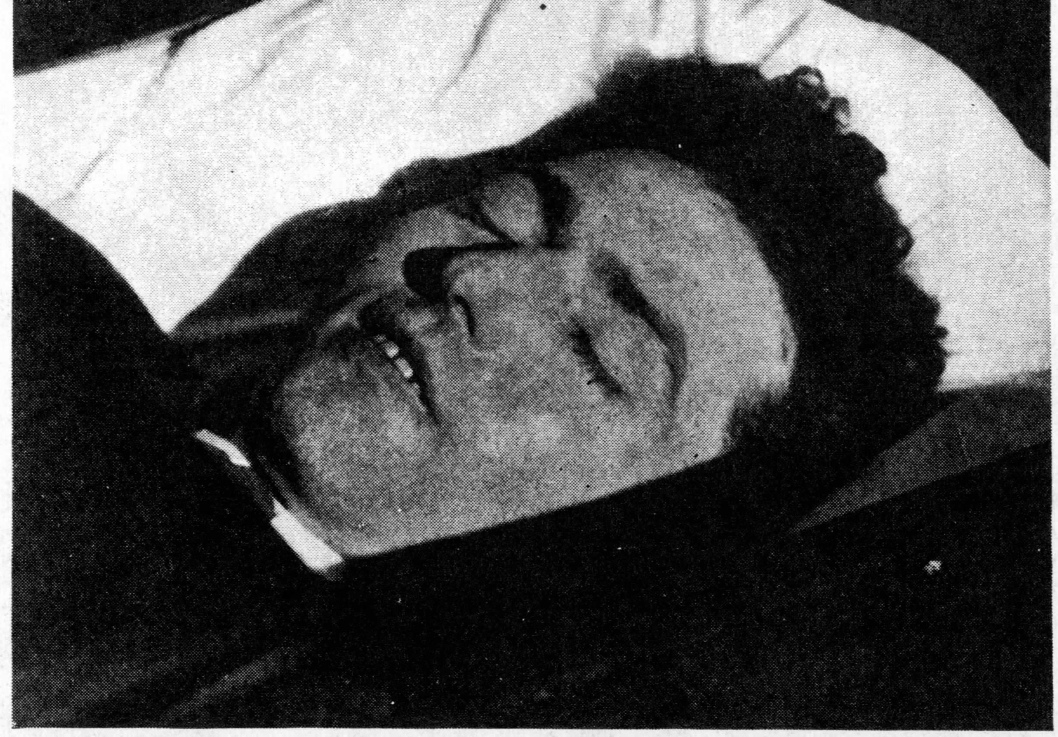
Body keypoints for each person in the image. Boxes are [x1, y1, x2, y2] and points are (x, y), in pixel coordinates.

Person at [12, 57, 1037, 728]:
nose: (476, 280)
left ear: (653, 529)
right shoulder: (38, 293)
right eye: (501, 216)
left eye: (599, 349)